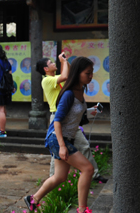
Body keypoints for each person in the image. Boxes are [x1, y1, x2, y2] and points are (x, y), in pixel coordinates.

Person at [25, 57, 102, 213]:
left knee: (59, 177)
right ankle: (82, 210)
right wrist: (61, 146)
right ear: (77, 73)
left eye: (91, 73)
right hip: (58, 138)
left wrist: (91, 111)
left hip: (67, 138)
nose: (90, 76)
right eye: (87, 73)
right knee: (88, 169)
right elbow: (57, 121)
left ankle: (33, 199)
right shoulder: (68, 94)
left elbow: (77, 115)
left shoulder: (79, 91)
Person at [36, 54, 107, 183]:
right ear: (45, 69)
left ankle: (94, 174)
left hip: (69, 119)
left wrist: (66, 62)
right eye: (50, 63)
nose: (54, 63)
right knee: (57, 152)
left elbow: (70, 75)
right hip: (58, 118)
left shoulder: (59, 81)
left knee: (82, 146)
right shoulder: (47, 80)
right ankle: (53, 179)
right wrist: (63, 61)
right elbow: (66, 76)